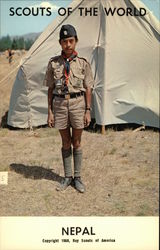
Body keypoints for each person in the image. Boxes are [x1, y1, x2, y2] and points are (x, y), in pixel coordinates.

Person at [44, 24, 94, 193]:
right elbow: (50, 89)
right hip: (59, 105)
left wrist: (88, 110)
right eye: (65, 41)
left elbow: (88, 88)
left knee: (77, 142)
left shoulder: (83, 63)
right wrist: (49, 112)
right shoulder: (53, 64)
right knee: (65, 142)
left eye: (71, 41)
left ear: (76, 41)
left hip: (78, 104)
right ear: (60, 43)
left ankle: (78, 178)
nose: (68, 45)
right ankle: (67, 177)